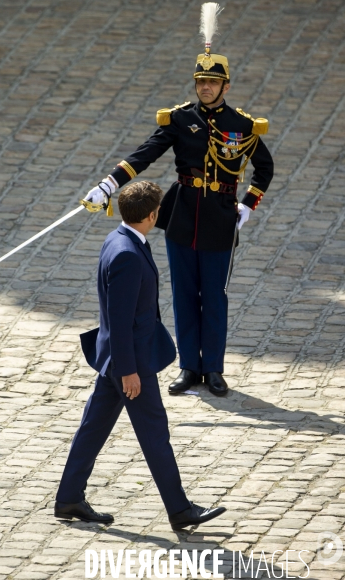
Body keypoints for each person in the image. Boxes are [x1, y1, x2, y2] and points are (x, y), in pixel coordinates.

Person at [84, 3, 274, 397]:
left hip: (221, 217)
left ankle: (215, 368)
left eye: (212, 83)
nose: (205, 88)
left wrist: (248, 204)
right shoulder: (180, 119)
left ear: (226, 86)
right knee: (184, 295)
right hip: (183, 215)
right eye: (200, 81)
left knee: (214, 297)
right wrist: (108, 184)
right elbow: (143, 154)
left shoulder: (242, 125)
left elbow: (265, 167)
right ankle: (189, 366)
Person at [54, 181, 226, 530]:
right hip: (130, 361)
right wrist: (129, 371)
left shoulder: (119, 240)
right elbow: (119, 320)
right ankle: (179, 510)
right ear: (151, 215)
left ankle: (69, 497)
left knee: (92, 428)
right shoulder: (128, 255)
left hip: (116, 359)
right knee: (154, 433)